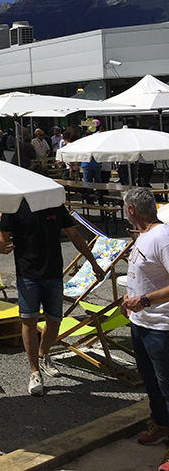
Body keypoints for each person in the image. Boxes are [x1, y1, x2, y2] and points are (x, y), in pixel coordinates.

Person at [0, 201, 103, 396]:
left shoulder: (54, 204)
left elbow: (75, 236)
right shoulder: (14, 206)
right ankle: (34, 372)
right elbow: (1, 238)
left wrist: (94, 263)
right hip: (27, 273)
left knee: (54, 321)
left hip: (53, 273)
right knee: (29, 320)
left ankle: (43, 355)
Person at [120, 187, 169, 454]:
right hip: (141, 323)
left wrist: (145, 300)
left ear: (131, 210)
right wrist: (130, 296)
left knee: (167, 386)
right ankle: (161, 425)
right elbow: (146, 273)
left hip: (161, 326)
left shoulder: (162, 237)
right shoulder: (144, 235)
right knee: (151, 382)